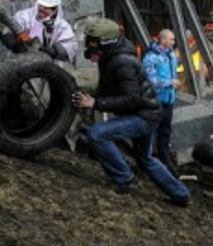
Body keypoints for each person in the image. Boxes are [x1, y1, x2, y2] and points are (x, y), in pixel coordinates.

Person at [72, 18, 189, 204]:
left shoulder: (122, 62)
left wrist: (96, 103)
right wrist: (93, 96)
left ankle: (123, 178)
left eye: (93, 41)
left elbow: (131, 99)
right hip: (146, 111)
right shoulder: (110, 56)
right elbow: (111, 86)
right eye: (89, 40)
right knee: (145, 159)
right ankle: (181, 195)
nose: (89, 45)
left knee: (97, 134)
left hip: (144, 115)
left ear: (106, 42)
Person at [0, 0, 77, 68]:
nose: (41, 9)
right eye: (41, 6)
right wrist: (14, 43)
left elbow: (70, 45)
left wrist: (54, 50)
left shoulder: (62, 26)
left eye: (46, 8)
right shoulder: (26, 16)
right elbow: (10, 28)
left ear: (54, 10)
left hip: (51, 64)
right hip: (24, 60)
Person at [142, 29, 179, 175]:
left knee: (165, 131)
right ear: (163, 40)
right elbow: (150, 80)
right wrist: (169, 83)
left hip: (168, 99)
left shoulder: (171, 55)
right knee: (152, 130)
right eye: (171, 39)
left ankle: (164, 159)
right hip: (155, 100)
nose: (173, 42)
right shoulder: (151, 58)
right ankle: (148, 159)